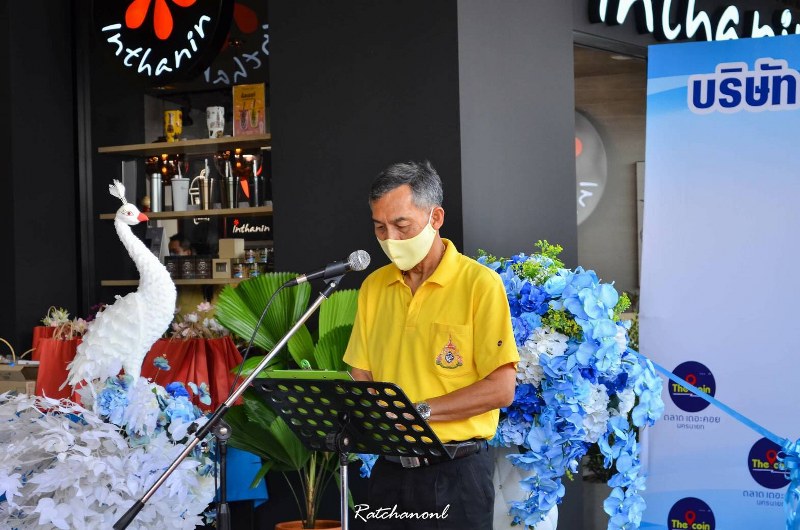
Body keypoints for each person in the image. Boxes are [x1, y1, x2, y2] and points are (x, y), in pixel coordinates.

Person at [343, 161, 519, 529]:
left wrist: (417, 412)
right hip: (389, 471)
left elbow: (501, 389)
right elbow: (361, 372)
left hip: (455, 472)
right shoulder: (374, 286)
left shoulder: (479, 284)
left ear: (435, 218)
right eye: (380, 227)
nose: (390, 238)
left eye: (401, 225)